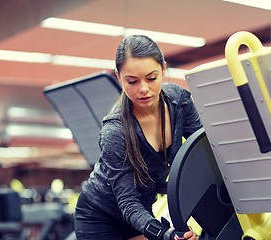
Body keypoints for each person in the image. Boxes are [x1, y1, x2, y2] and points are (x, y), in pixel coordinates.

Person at [74, 35, 202, 240]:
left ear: (163, 70)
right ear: (118, 78)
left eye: (151, 78)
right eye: (132, 81)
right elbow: (127, 201)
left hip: (140, 211)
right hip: (99, 214)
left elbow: (204, 149)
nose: (143, 89)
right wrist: (166, 235)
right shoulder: (115, 131)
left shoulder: (179, 101)